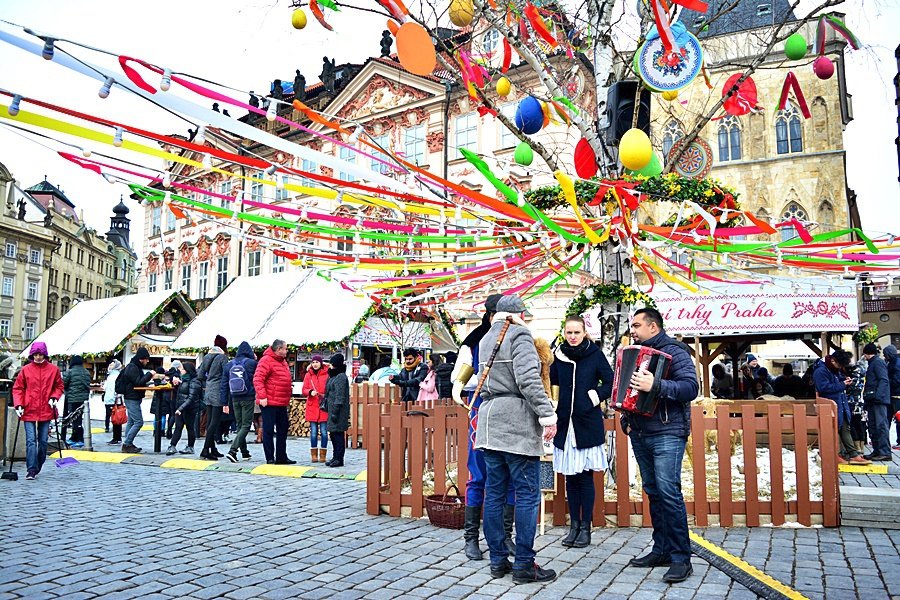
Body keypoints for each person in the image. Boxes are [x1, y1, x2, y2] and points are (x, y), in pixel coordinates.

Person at [473, 294, 558, 585]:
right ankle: (524, 564)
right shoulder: (519, 334)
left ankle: (498, 561)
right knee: (527, 494)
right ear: (520, 314)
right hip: (516, 423)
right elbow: (528, 380)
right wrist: (548, 415)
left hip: (489, 422)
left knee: (494, 493)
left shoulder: (486, 338)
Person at [622, 307, 698, 584]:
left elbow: (690, 388)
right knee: (653, 492)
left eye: (637, 325)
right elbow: (626, 390)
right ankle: (662, 549)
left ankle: (681, 558)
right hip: (641, 432)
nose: (633, 329)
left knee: (668, 492)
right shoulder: (633, 352)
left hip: (668, 431)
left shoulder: (676, 351)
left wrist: (656, 385)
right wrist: (625, 418)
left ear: (653, 327)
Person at [451, 294, 516, 561]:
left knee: (511, 473)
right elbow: (458, 380)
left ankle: (505, 536)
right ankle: (471, 538)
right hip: (483, 413)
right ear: (492, 317)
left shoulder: (518, 340)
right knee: (478, 474)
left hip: (512, 415)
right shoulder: (472, 343)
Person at [550, 315, 613, 548]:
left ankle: (585, 527)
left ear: (584, 333)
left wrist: (593, 397)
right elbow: (551, 381)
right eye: (569, 333)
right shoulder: (559, 355)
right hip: (565, 423)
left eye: (577, 332)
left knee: (585, 478)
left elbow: (610, 381)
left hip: (586, 422)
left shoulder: (594, 355)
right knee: (570, 479)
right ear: (564, 333)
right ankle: (573, 525)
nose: (573, 337)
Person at [12, 342, 64, 480]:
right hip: (29, 408)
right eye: (36, 354)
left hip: (45, 409)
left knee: (43, 441)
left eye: (40, 354)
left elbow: (59, 386)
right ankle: (31, 469)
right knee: (31, 440)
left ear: (44, 355)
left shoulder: (54, 370)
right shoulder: (26, 370)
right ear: (32, 355)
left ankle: (38, 464)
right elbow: (18, 388)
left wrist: (54, 397)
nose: (38, 357)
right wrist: (19, 405)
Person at [814, 349, 870, 465]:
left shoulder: (833, 368)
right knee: (833, 430)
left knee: (845, 427)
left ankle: (853, 454)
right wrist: (842, 384)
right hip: (830, 405)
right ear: (833, 361)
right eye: (839, 365)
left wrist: (844, 380)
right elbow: (823, 388)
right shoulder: (820, 371)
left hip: (840, 404)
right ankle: (835, 454)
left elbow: (836, 381)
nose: (840, 368)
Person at [254, 339, 295, 465]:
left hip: (281, 401)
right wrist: (262, 396)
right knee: (268, 430)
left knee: (283, 429)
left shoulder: (283, 362)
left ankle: (281, 456)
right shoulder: (266, 360)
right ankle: (270, 457)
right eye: (285, 349)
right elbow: (258, 379)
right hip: (269, 402)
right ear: (279, 349)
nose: (287, 351)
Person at [222, 341, 258, 463]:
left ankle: (245, 452)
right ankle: (233, 451)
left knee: (239, 425)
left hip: (234, 398)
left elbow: (224, 385)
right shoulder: (252, 363)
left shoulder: (229, 364)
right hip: (247, 397)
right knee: (246, 425)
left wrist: (224, 403)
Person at [117, 347, 156, 453]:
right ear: (141, 359)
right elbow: (138, 382)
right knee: (138, 422)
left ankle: (128, 443)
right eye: (146, 359)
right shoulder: (133, 367)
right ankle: (127, 443)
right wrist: (150, 374)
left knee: (131, 421)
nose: (148, 361)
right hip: (132, 397)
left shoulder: (135, 366)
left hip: (133, 397)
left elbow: (139, 382)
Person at [198, 335, 229, 461]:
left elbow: (200, 374)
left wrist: (209, 379)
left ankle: (213, 449)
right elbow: (226, 375)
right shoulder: (222, 357)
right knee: (214, 422)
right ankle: (205, 450)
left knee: (210, 419)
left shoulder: (207, 356)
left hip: (208, 391)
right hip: (218, 391)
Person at [861, 343, 892, 461]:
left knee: (880, 426)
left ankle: (884, 452)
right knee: (874, 426)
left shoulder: (877, 363)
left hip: (878, 401)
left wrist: (878, 396)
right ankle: (877, 450)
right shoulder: (874, 362)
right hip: (873, 400)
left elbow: (883, 380)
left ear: (867, 353)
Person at [167, 362, 202, 455]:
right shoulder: (184, 380)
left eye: (182, 369)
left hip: (189, 408)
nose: (180, 370)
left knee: (190, 427)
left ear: (187, 370)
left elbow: (191, 398)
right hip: (181, 407)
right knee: (178, 426)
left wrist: (180, 408)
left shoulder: (194, 382)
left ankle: (190, 447)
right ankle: (172, 446)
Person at [324, 353, 350, 467]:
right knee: (333, 434)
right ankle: (335, 456)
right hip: (332, 409)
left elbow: (340, 396)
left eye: (332, 364)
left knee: (338, 434)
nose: (330, 366)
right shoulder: (333, 375)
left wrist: (335, 412)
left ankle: (339, 458)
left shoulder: (341, 377)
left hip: (338, 410)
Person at [302, 355, 330, 463]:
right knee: (313, 432)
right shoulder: (308, 375)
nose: (315, 364)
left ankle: (323, 455)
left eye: (317, 362)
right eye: (313, 362)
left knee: (324, 432)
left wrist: (324, 394)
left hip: (323, 406)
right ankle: (314, 455)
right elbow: (304, 389)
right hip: (312, 406)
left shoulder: (327, 374)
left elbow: (329, 388)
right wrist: (310, 392)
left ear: (321, 363)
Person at [61, 354, 91, 448]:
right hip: (83, 400)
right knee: (79, 418)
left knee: (73, 419)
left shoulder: (69, 372)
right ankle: (75, 437)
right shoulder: (86, 372)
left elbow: (63, 384)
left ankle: (79, 438)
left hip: (72, 398)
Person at [884, 345, 900, 450]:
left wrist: (886, 382)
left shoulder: (895, 364)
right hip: (894, 394)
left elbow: (897, 380)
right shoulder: (894, 362)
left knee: (896, 418)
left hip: (896, 395)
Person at [103, 360, 123, 445]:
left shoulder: (111, 376)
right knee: (117, 418)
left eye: (111, 365)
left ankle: (116, 437)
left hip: (110, 399)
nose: (109, 367)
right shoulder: (118, 375)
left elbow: (105, 387)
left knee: (114, 418)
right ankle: (117, 437)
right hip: (116, 399)